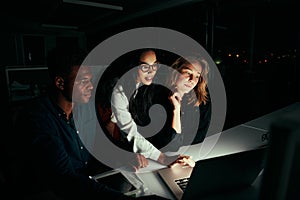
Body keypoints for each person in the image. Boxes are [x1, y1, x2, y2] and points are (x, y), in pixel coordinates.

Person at [9, 46, 168, 200]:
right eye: (83, 81)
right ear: (60, 83)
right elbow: (64, 179)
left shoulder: (84, 107)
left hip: (85, 181)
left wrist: (123, 157)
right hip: (51, 191)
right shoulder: (37, 118)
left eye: (91, 80)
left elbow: (98, 146)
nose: (91, 86)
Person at [99, 48, 195, 168]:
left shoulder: (145, 86)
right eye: (145, 67)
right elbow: (130, 131)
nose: (151, 72)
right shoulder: (118, 89)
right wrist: (162, 158)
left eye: (154, 65)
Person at [131, 55, 211, 152]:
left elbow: (199, 137)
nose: (192, 80)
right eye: (187, 72)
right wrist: (176, 110)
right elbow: (170, 145)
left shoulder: (201, 103)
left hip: (190, 155)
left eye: (197, 76)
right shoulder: (154, 97)